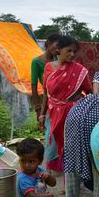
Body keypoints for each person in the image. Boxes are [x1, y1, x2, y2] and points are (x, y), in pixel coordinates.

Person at [38, 35, 92, 197]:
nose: (72, 54)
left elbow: (90, 91)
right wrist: (42, 113)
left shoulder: (79, 70)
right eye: (68, 50)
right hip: (54, 116)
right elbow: (45, 92)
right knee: (54, 152)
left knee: (71, 154)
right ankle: (57, 195)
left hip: (73, 114)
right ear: (58, 50)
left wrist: (80, 102)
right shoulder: (48, 68)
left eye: (75, 51)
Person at [31, 33, 61, 171]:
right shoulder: (37, 62)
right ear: (48, 44)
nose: (58, 49)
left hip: (61, 100)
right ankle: (50, 165)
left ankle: (60, 165)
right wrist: (38, 109)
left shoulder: (59, 60)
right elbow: (34, 86)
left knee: (61, 132)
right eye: (56, 46)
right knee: (50, 132)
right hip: (47, 100)